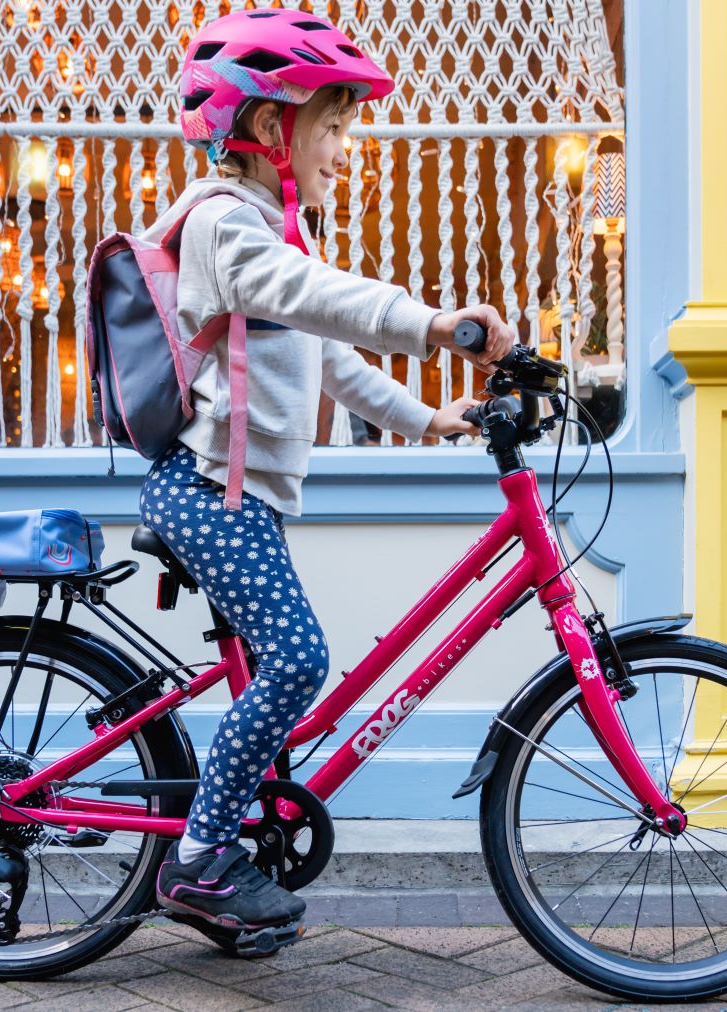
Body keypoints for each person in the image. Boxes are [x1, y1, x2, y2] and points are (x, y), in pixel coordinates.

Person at [138, 9, 514, 952]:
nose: (346, 147)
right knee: (300, 661)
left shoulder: (269, 229)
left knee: (283, 665)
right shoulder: (227, 227)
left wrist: (429, 416)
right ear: (272, 130)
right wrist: (434, 324)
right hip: (204, 494)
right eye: (335, 126)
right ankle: (199, 860)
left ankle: (231, 870)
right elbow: (318, 299)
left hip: (239, 498)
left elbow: (329, 356)